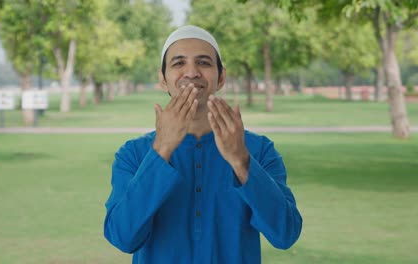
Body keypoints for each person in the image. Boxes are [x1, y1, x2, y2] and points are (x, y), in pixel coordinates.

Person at [103, 25, 302, 263]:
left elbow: (285, 234)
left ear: (221, 77)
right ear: (163, 79)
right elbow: (123, 237)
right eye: (178, 63)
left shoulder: (259, 150)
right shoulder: (133, 154)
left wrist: (241, 161)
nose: (192, 72)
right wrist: (162, 149)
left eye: (204, 63)